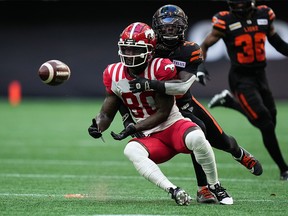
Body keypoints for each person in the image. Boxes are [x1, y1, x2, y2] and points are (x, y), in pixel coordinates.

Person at [125, 4, 262, 204]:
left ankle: (238, 152)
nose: (169, 30)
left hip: (184, 103)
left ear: (182, 27)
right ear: (156, 29)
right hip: (160, 108)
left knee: (223, 140)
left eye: (174, 26)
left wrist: (151, 83)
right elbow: (123, 85)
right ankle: (203, 189)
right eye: (165, 27)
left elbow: (180, 88)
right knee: (198, 133)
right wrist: (127, 116)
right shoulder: (148, 48)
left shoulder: (189, 49)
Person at [88, 22, 233, 205]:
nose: (130, 54)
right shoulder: (113, 72)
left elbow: (164, 113)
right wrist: (97, 125)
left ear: (150, 50)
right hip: (151, 137)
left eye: (135, 50)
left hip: (172, 126)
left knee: (197, 136)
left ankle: (215, 186)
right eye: (126, 49)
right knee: (131, 150)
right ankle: (173, 190)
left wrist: (133, 127)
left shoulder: (160, 67)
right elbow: (106, 113)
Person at [200, 0, 288, 181]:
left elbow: (277, 42)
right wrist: (200, 66)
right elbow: (206, 44)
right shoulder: (225, 20)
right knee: (266, 123)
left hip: (260, 76)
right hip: (241, 79)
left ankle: (229, 102)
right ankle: (284, 169)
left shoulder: (264, 15)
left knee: (270, 118)